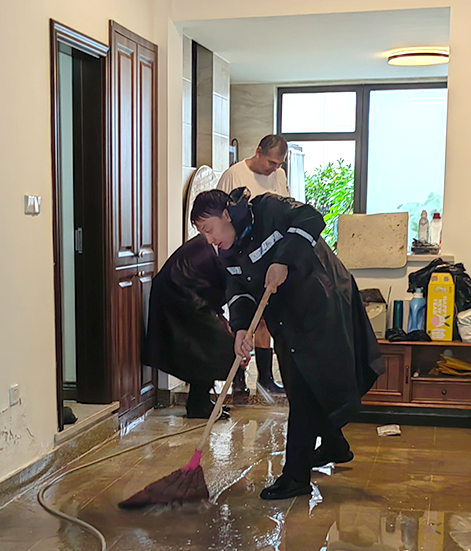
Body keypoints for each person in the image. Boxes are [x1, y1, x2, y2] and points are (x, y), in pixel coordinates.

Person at [191, 188, 384, 500]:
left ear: (226, 215)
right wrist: (241, 329)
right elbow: (238, 291)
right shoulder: (227, 252)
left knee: (307, 387)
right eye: (203, 234)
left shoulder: (267, 209)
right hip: (286, 316)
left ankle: (296, 477)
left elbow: (311, 218)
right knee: (300, 386)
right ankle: (335, 445)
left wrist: (282, 260)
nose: (210, 239)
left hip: (321, 302)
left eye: (209, 229)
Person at [217, 134, 290, 395]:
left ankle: (265, 378)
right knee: (242, 318)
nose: (274, 168)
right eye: (271, 162)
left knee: (266, 319)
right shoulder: (234, 175)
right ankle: (238, 376)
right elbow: (220, 216)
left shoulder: (279, 176)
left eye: (279, 164)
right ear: (258, 151)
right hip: (239, 256)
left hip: (268, 258)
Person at [143, 235, 240, 419]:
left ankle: (200, 402)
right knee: (212, 346)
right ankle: (199, 405)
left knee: (203, 350)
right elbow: (223, 286)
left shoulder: (211, 245)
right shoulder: (211, 245)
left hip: (185, 299)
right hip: (179, 300)